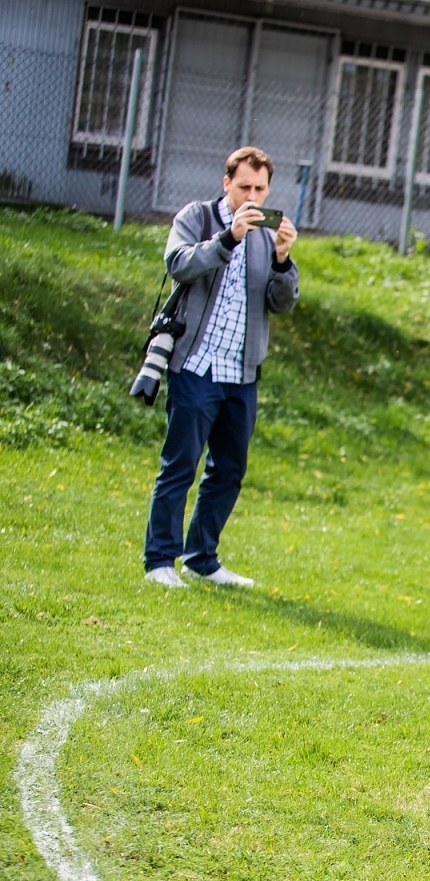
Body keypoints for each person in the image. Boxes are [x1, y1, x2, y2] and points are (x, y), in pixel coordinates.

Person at [143, 146, 299, 588]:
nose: (252, 196)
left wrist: (284, 260)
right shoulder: (196, 217)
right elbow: (179, 264)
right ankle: (159, 561)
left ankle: (201, 559)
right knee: (180, 464)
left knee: (229, 470)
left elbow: (281, 302)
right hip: (196, 365)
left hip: (242, 373)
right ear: (226, 182)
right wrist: (228, 237)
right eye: (244, 186)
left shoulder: (269, 234)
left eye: (261, 188)